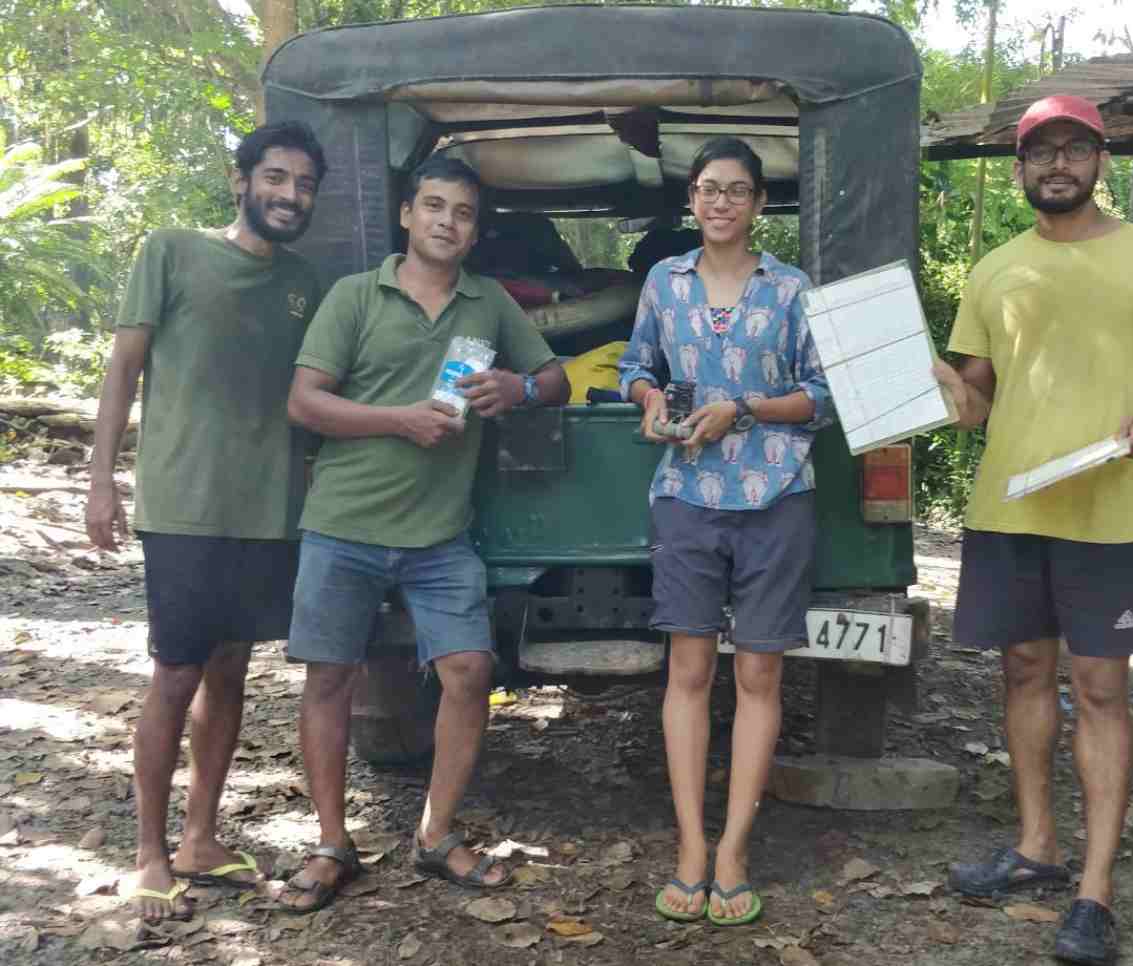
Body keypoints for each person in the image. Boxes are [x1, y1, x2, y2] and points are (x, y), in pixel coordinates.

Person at [935, 95, 1133, 966]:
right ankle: (1037, 849)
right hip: (1010, 505)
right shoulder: (993, 270)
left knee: (1101, 689)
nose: (1056, 165)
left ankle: (1094, 891)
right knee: (1024, 671)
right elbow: (979, 398)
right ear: (1020, 169)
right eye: (1040, 153)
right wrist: (926, 384)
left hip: (1108, 511)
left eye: (1074, 150)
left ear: (1099, 164)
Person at [278, 155, 570, 913]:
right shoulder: (354, 295)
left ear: (475, 230)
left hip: (441, 535)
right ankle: (331, 842)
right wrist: (398, 420)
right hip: (343, 524)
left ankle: (436, 835)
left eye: (464, 212)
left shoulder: (489, 302)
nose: (448, 221)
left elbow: (557, 382)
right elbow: (305, 403)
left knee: (470, 671)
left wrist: (519, 387)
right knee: (329, 680)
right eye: (434, 206)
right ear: (407, 215)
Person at [86, 121, 328, 922]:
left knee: (231, 671)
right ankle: (150, 852)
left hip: (270, 509)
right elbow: (125, 367)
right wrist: (102, 482)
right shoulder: (171, 251)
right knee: (176, 672)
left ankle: (201, 837)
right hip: (184, 503)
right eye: (276, 178)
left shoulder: (309, 285)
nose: (289, 194)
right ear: (241, 181)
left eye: (302, 184)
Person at [618, 136, 832, 926]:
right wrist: (646, 398)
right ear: (693, 199)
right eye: (708, 189)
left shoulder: (792, 288)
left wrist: (742, 407)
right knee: (687, 673)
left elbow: (822, 394)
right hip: (686, 494)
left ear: (759, 204)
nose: (719, 203)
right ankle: (690, 847)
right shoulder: (662, 283)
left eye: (736, 190)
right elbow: (633, 365)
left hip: (777, 495)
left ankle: (735, 848)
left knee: (760, 679)